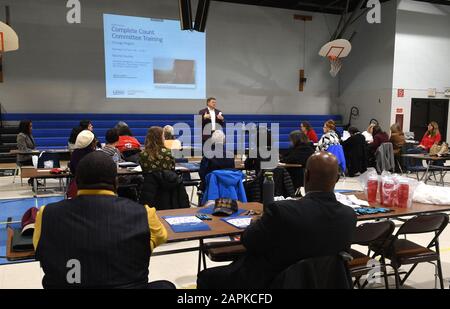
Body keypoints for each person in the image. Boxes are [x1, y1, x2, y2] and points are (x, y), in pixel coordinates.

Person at [197, 152, 357, 289]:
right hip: (321, 282)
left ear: (306, 176)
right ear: (336, 179)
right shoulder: (349, 216)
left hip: (272, 281)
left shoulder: (282, 211)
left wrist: (257, 222)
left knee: (206, 277)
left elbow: (249, 241)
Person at [33, 151, 173, 289]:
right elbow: (162, 236)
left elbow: (40, 248)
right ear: (116, 182)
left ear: (76, 182)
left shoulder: (45, 214)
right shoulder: (145, 215)